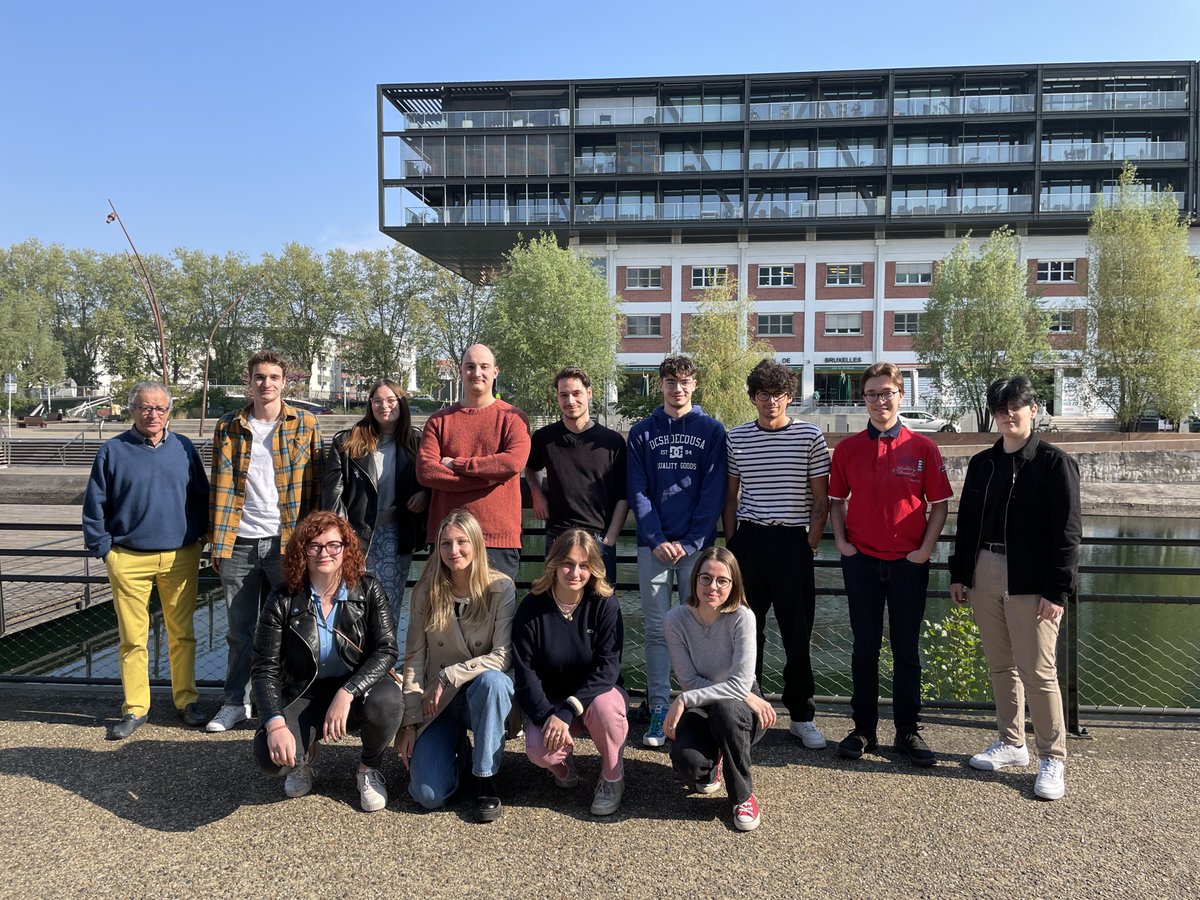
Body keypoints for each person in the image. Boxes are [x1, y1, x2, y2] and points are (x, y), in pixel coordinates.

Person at [950, 375, 1081, 801]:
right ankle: (1012, 743)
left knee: (1039, 672)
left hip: (1032, 579)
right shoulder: (983, 464)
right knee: (1001, 665)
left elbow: (1068, 533)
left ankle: (1053, 757)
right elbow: (966, 523)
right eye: (1000, 409)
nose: (1007, 416)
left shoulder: (1054, 463)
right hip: (984, 569)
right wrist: (959, 573)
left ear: (1033, 409)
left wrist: (1056, 590)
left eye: (1015, 407)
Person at [828, 362, 952, 766]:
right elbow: (835, 501)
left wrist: (924, 551)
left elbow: (940, 505)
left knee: (906, 651)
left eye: (886, 393)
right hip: (861, 561)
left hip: (908, 564)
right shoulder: (847, 449)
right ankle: (863, 729)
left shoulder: (923, 448)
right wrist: (843, 543)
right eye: (871, 394)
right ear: (863, 399)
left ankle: (907, 731)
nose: (879, 401)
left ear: (901, 396)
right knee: (864, 649)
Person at [250, 510, 402, 812]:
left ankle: (368, 768)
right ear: (301, 550)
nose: (325, 553)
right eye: (314, 545)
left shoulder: (368, 588)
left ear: (346, 549)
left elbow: (386, 650)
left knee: (389, 702)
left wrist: (348, 692)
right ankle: (303, 759)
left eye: (334, 545)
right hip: (304, 691)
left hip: (356, 690)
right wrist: (275, 723)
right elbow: (264, 667)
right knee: (271, 761)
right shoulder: (282, 597)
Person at [82, 381, 209, 740]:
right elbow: (95, 504)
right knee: (132, 638)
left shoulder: (184, 448)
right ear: (132, 410)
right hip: (127, 557)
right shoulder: (113, 450)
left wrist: (202, 536)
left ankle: (186, 701)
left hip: (180, 555)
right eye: (144, 407)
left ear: (169, 412)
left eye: (160, 408)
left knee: (182, 634)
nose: (153, 414)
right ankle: (136, 707)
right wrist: (104, 548)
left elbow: (201, 495)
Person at [208, 349, 325, 733]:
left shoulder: (305, 424)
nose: (266, 384)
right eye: (260, 377)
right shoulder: (228, 426)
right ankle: (234, 702)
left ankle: (284, 702)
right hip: (239, 541)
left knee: (290, 628)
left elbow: (320, 486)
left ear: (284, 382)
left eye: (274, 377)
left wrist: (315, 542)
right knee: (239, 631)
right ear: (250, 381)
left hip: (286, 542)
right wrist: (217, 543)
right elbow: (217, 488)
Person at [723, 360, 830, 750]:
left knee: (796, 634)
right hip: (749, 542)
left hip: (792, 542)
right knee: (747, 632)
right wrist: (734, 546)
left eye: (780, 395)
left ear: (790, 397)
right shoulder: (736, 438)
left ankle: (802, 715)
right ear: (752, 398)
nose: (772, 402)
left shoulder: (809, 437)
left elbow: (821, 499)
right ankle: (749, 712)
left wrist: (810, 545)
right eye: (763, 395)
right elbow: (730, 497)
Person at [627, 355, 727, 748]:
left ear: (695, 384)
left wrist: (690, 543)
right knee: (655, 630)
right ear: (660, 385)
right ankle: (656, 710)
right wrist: (656, 539)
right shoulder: (642, 433)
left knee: (700, 628)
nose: (677, 388)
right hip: (652, 547)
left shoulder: (712, 431)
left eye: (684, 381)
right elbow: (638, 491)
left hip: (696, 550)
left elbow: (713, 491)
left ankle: (696, 710)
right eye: (670, 381)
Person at [395, 510, 516, 822]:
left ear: (476, 544)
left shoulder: (501, 588)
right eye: (445, 543)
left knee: (495, 682)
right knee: (427, 796)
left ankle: (484, 779)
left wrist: (450, 674)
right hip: (439, 705)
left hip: (480, 696)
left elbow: (503, 656)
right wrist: (408, 721)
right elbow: (414, 658)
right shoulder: (425, 590)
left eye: (462, 542)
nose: (454, 551)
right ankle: (458, 754)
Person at [512, 529, 627, 816]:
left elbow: (607, 669)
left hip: (594, 697)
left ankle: (612, 777)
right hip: (552, 701)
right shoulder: (531, 607)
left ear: (594, 569)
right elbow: (525, 673)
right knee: (539, 750)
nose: (575, 572)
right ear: (553, 563)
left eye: (584, 565)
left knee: (607, 708)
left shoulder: (605, 604)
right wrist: (546, 716)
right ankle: (563, 769)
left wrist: (568, 711)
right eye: (567, 563)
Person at [663, 547, 775, 832]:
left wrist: (686, 700)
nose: (712, 587)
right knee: (688, 764)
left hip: (741, 711)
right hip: (706, 704)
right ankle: (714, 761)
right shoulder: (675, 620)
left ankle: (743, 796)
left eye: (722, 580)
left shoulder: (743, 617)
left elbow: (735, 685)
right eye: (706, 578)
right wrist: (739, 691)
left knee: (727, 709)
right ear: (695, 580)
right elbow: (688, 680)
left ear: (733, 584)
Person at [323, 379, 428, 640]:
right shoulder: (347, 442)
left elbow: (431, 477)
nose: (385, 406)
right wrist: (340, 540)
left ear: (402, 404)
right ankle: (350, 671)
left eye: (391, 400)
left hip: (396, 535)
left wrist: (426, 494)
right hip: (355, 536)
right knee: (349, 607)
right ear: (370, 404)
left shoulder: (416, 442)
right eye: (378, 400)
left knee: (387, 608)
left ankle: (384, 673)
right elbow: (333, 496)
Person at [416, 344, 530, 580]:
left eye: (484, 366)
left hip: (496, 539)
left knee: (496, 615)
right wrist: (489, 479)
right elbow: (426, 471)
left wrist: (457, 465)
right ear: (460, 371)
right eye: (470, 367)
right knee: (444, 615)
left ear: (495, 372)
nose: (477, 373)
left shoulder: (514, 418)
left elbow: (512, 464)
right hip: (449, 541)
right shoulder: (438, 421)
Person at [526, 367, 628, 586]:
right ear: (557, 397)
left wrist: (609, 539)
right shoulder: (545, 438)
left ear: (589, 393)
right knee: (557, 606)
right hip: (558, 537)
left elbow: (623, 494)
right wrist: (536, 492)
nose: (570, 400)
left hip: (599, 539)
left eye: (576, 393)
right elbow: (532, 468)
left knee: (601, 608)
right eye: (564, 395)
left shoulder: (611, 442)